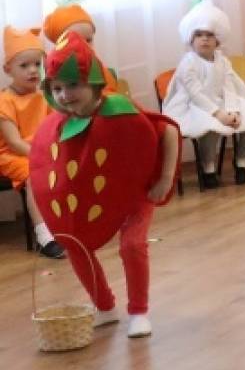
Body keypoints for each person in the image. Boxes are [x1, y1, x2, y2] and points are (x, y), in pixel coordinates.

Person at [29, 33, 180, 338]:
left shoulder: (121, 109)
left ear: (94, 82)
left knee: (132, 245)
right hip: (94, 196)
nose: (64, 95)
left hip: (137, 191)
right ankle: (105, 307)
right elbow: (46, 165)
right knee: (75, 246)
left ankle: (138, 311)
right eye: (56, 88)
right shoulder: (59, 123)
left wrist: (164, 178)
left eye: (73, 85)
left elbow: (168, 132)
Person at [162, 0, 245, 188]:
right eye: (199, 35)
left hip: (221, 102)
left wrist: (233, 111)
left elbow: (230, 86)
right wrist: (218, 114)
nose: (204, 39)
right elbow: (195, 93)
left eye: (209, 35)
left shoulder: (222, 61)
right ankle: (208, 168)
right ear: (191, 40)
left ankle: (241, 162)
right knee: (209, 126)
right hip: (193, 106)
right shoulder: (188, 63)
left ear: (217, 41)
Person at [0, 26, 64, 257]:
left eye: (37, 64)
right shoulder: (5, 101)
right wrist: (42, 157)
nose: (33, 70)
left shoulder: (43, 97)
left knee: (68, 166)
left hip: (41, 151)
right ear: (8, 69)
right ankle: (44, 236)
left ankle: (66, 224)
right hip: (13, 155)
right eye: (24, 65)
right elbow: (14, 142)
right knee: (34, 175)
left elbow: (54, 129)